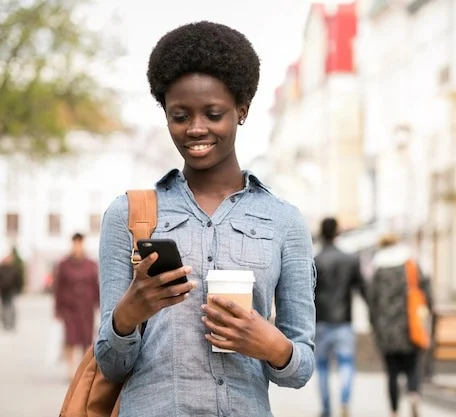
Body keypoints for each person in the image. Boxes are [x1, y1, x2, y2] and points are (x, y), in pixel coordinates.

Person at [94, 21, 316, 417]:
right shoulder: (127, 216)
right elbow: (110, 364)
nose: (196, 128)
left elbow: (299, 369)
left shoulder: (284, 222)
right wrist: (129, 313)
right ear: (165, 114)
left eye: (213, 114)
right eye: (180, 116)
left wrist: (270, 345)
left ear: (242, 111)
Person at [367, 234, 433, 417]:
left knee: (392, 372)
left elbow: (372, 300)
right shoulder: (410, 264)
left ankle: (394, 411)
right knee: (413, 365)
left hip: (386, 328)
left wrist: (374, 324)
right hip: (410, 324)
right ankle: (413, 394)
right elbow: (426, 289)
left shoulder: (378, 268)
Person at [314, 217, 366, 417]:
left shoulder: (316, 261)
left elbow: (308, 295)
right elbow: (362, 289)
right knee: (346, 363)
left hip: (321, 321)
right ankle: (344, 399)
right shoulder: (350, 260)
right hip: (344, 321)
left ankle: (326, 409)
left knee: (323, 367)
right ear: (337, 233)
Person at [54, 233, 100, 379]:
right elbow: (58, 288)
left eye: (80, 243)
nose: (77, 246)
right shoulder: (63, 265)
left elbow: (96, 286)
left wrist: (100, 305)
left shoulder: (91, 264)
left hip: (86, 308)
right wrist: (57, 309)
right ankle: (70, 369)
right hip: (70, 308)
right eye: (75, 243)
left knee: (86, 339)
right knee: (71, 339)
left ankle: (83, 370)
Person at [0, 251, 24, 331]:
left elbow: (18, 280)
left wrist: (18, 289)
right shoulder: (0, 269)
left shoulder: (14, 269)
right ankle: (4, 323)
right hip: (2, 291)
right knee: (3, 307)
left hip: (11, 290)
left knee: (11, 307)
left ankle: (11, 324)